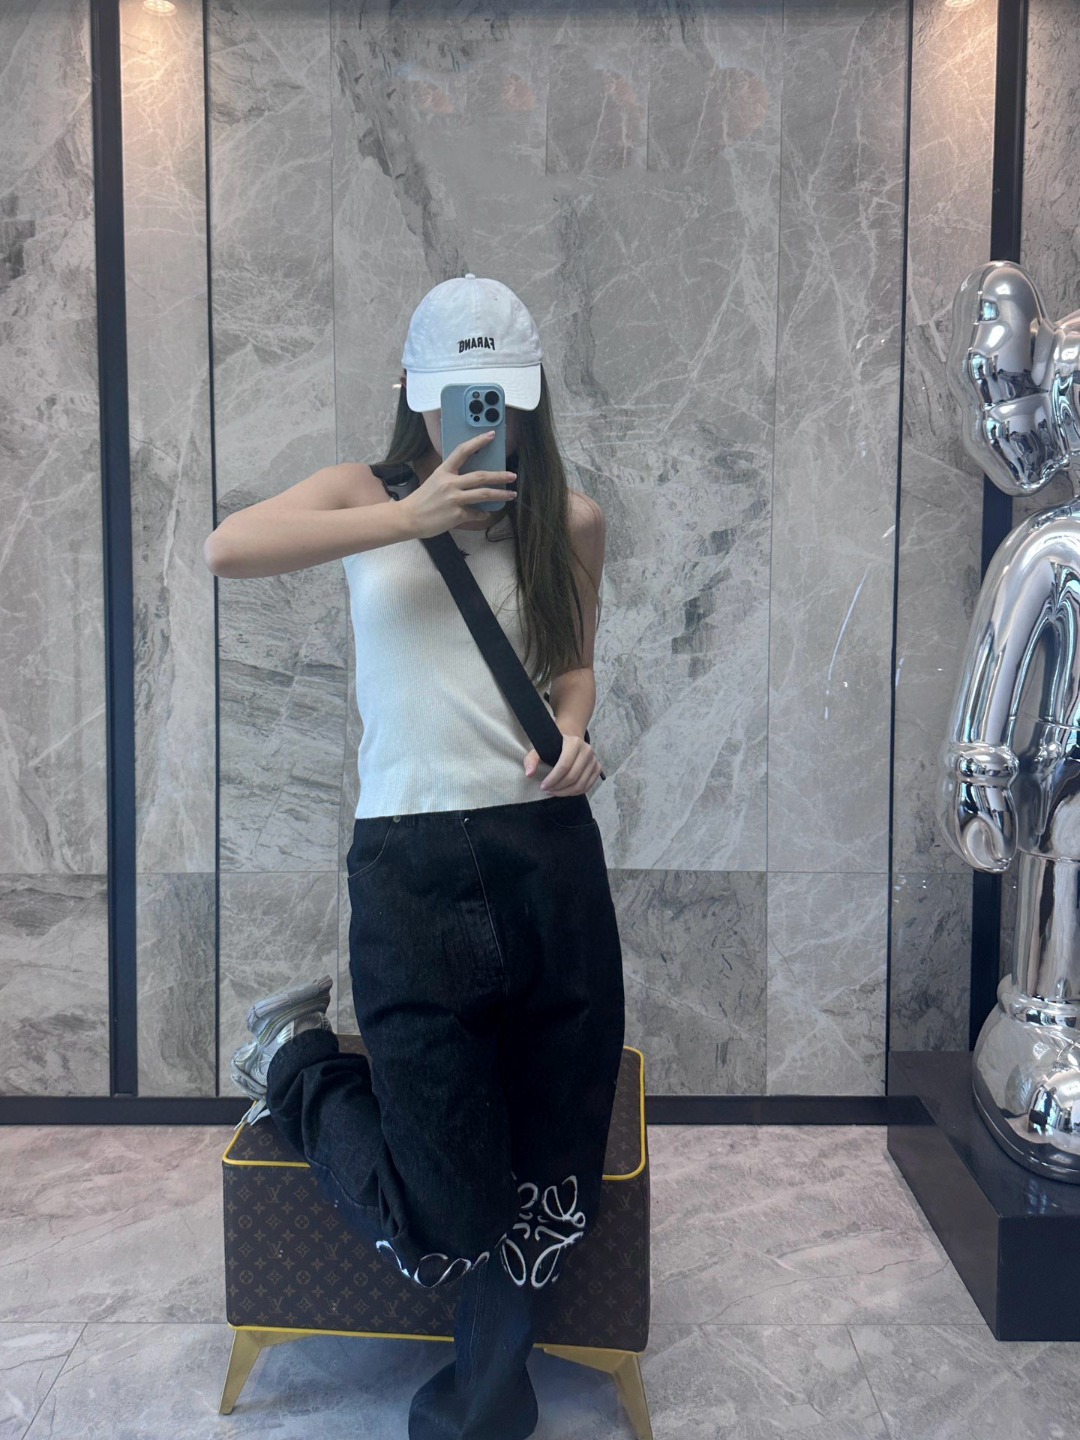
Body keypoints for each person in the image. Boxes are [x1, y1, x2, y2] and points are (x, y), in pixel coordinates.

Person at [209, 273, 626, 1440]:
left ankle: (480, 1412)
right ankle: (298, 1064)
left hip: (548, 856)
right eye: (450, 396)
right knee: (444, 1214)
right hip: (409, 866)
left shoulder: (572, 520)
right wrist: (411, 518)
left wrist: (576, 733)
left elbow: (573, 666)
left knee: (551, 1195)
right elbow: (228, 548)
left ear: (530, 395)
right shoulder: (364, 492)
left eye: (496, 397)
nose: (472, 419)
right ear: (411, 388)